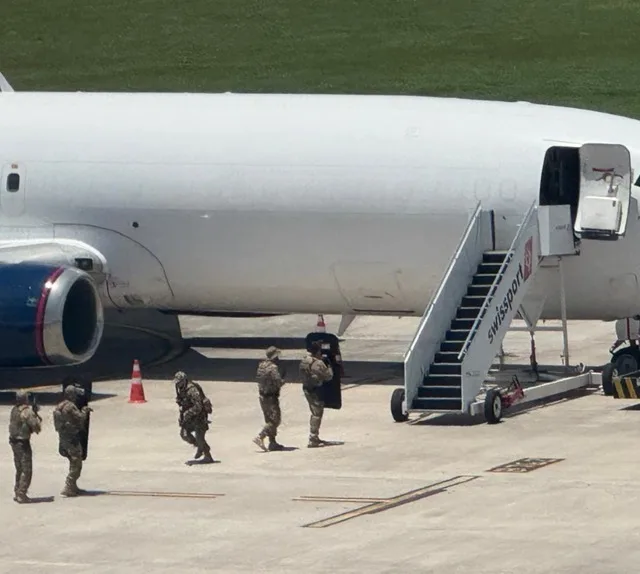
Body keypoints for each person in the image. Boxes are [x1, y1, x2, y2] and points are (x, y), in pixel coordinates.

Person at [53, 385, 91, 497]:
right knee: (77, 462)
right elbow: (80, 418)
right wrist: (84, 411)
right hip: (72, 438)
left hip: (63, 437)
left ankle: (73, 486)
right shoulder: (70, 407)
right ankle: (69, 486)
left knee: (72, 461)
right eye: (74, 394)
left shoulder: (60, 406)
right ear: (71, 395)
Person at [8, 390, 42, 503]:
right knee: (26, 470)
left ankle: (17, 491)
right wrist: (36, 415)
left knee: (19, 468)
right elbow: (37, 428)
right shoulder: (27, 412)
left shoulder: (14, 410)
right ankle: (21, 494)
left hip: (13, 442)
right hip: (22, 443)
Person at [299, 341, 334, 448]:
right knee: (317, 414)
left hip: (306, 388)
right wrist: (328, 365)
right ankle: (313, 438)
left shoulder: (305, 360)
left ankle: (314, 437)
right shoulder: (318, 364)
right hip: (315, 391)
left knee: (314, 412)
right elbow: (329, 376)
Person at [174, 371, 214, 463]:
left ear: (184, 381)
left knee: (200, 437)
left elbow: (198, 406)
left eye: (179, 382)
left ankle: (208, 456)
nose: (177, 384)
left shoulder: (192, 390)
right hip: (189, 416)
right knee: (184, 434)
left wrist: (187, 413)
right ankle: (200, 447)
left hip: (199, 415)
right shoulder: (180, 389)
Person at [253, 346, 286, 452]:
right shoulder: (273, 368)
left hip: (263, 396)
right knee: (275, 420)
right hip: (271, 396)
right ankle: (260, 436)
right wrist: (283, 381)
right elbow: (278, 382)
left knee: (269, 419)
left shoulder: (261, 366)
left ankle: (272, 442)